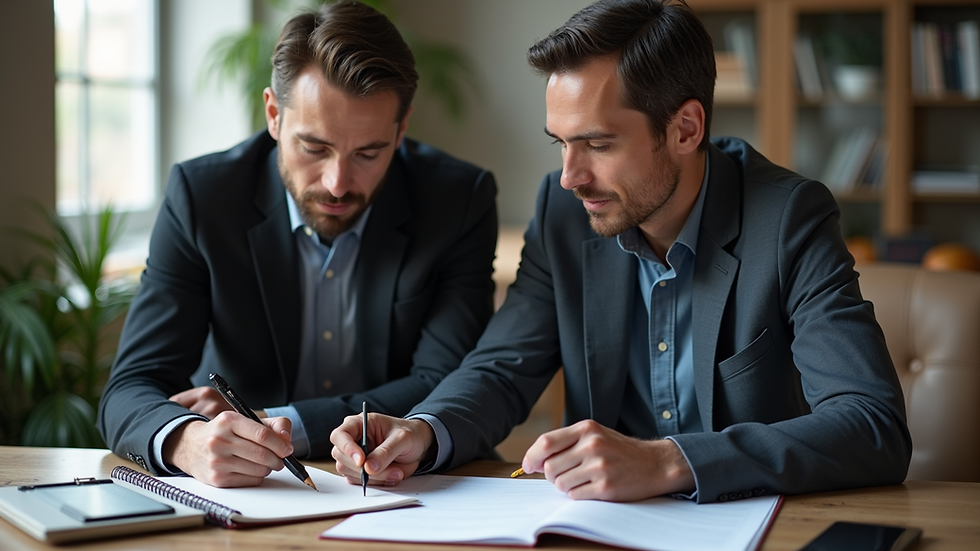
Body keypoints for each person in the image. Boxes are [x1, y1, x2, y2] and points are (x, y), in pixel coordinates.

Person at [330, 0, 911, 503]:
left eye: (598, 144)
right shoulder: (564, 214)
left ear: (686, 128)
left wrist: (667, 462)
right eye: (560, 144)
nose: (569, 177)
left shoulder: (788, 219)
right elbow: (502, 369)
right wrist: (425, 431)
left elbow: (871, 425)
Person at [97, 0, 498, 488]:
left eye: (369, 153)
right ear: (273, 114)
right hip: (254, 491)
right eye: (314, 148)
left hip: (407, 482)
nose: (336, 183)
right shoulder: (204, 198)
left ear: (402, 128)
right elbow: (130, 387)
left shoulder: (456, 200)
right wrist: (186, 440)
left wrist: (285, 420)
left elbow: (448, 381)